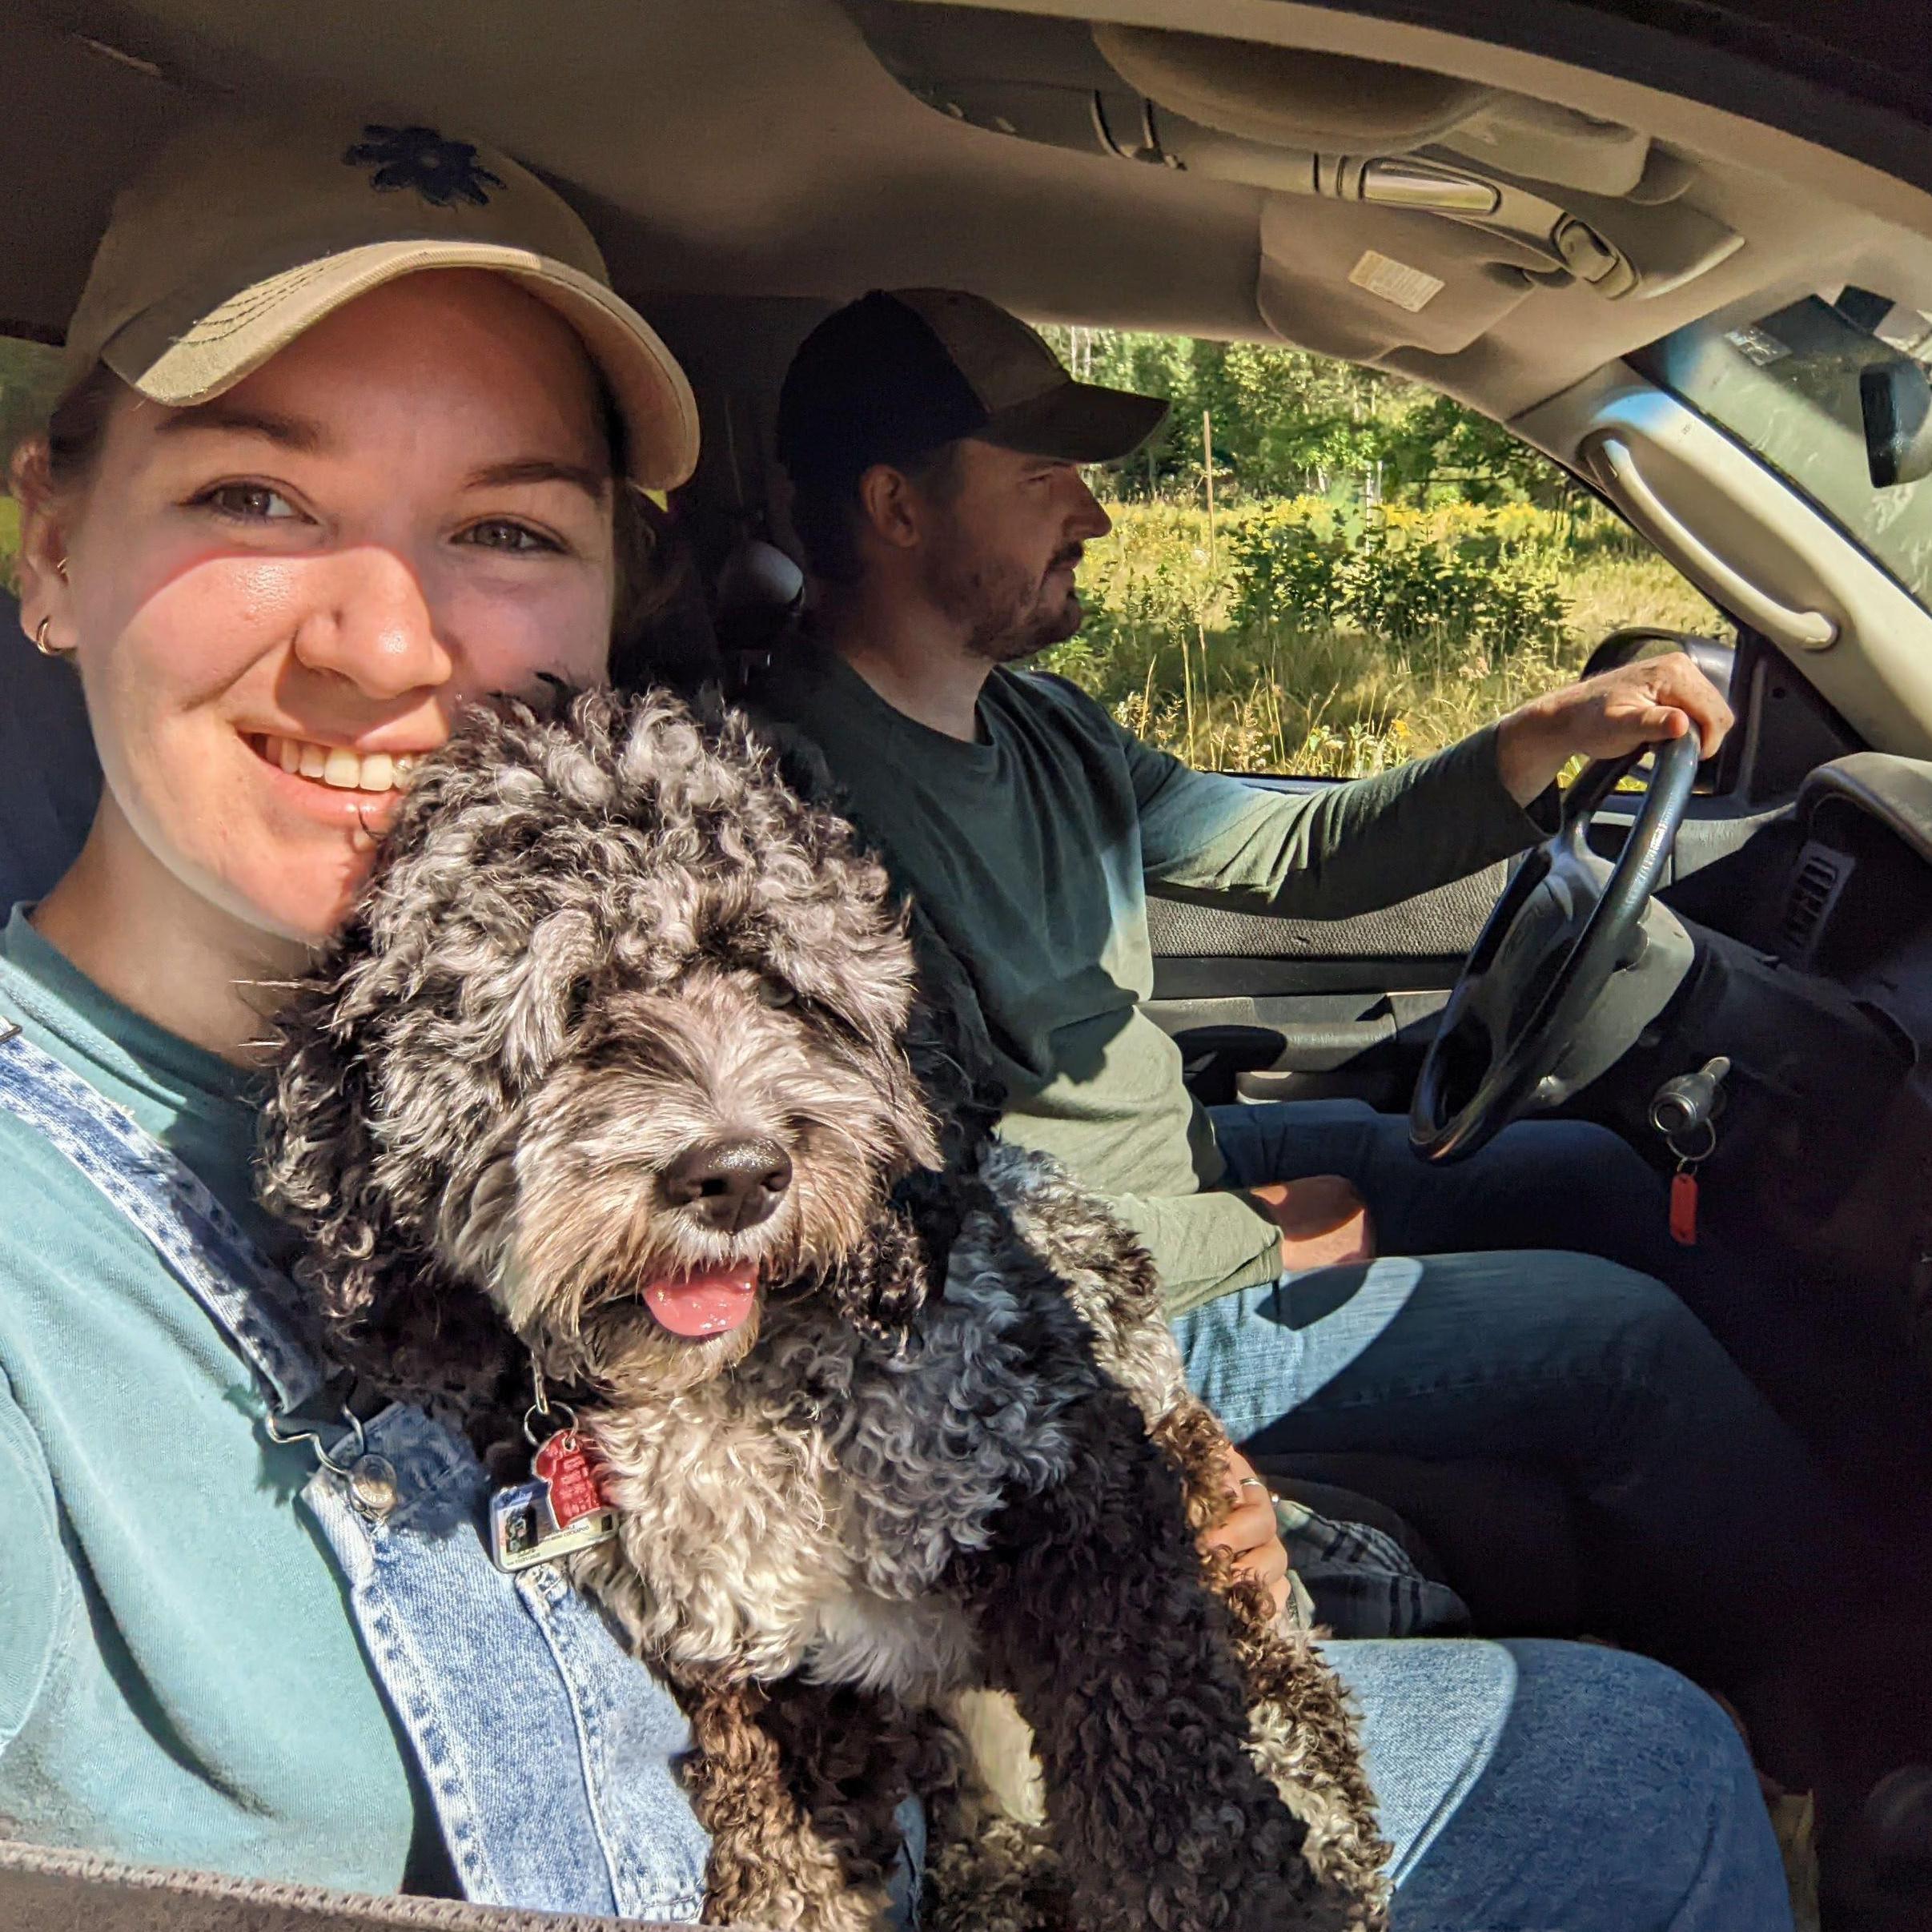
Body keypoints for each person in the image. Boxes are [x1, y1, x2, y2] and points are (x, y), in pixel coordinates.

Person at [0, 116, 1790, 1930]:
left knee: (1594, 1351)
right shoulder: (44, 1243)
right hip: (847, 1780)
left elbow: (1002, 1127)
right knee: (1640, 1674)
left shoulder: (1015, 741)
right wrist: (1225, 1256)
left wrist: (1129, 1447)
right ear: (49, 543)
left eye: (506, 527)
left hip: (927, 1694)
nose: (387, 645)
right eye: (254, 497)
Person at [755, 288, 1925, 1830]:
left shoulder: (1036, 727)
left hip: (1168, 1182)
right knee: (1621, 1341)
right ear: (896, 507)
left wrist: (1542, 736)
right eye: (1042, 478)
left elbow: (1287, 852)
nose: (1092, 515)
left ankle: (1816, 1551)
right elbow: (920, 1219)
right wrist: (1258, 1235)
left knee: (1583, 1170)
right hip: (1094, 1318)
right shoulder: (795, 805)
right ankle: (1868, 1701)